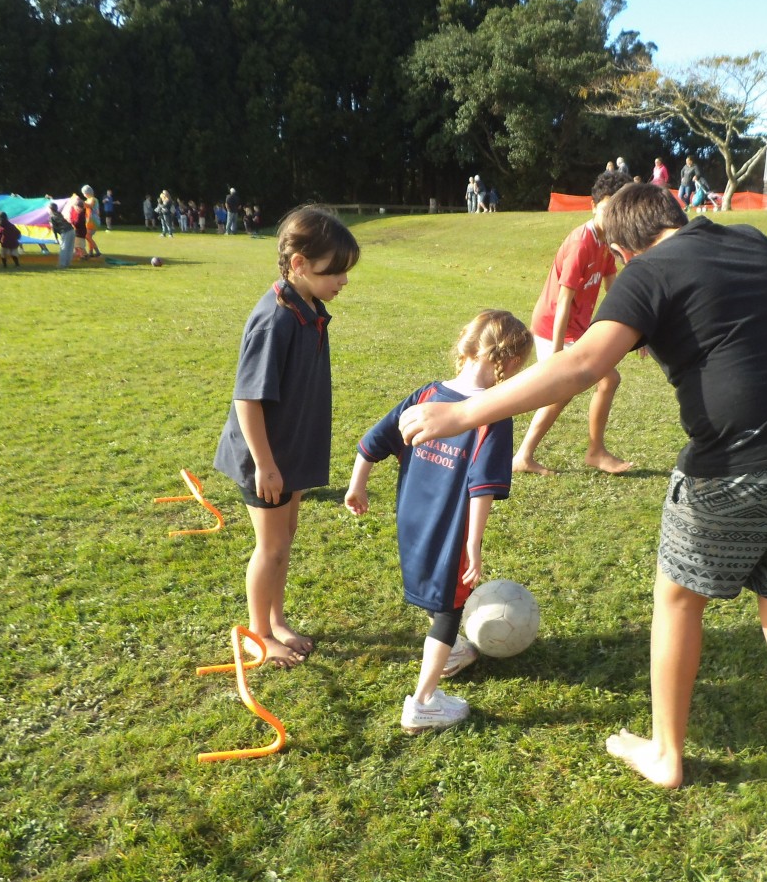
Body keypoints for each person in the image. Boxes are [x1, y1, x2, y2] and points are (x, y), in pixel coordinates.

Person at [398, 183, 767, 843]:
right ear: (677, 216)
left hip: (739, 458)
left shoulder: (646, 272)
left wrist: (464, 412)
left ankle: (666, 754)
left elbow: (582, 362)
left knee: (678, 599)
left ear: (620, 248)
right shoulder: (746, 240)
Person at [344, 310, 533, 729]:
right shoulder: (492, 413)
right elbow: (481, 486)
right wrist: (473, 544)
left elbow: (373, 441)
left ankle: (452, 653)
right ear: (513, 361)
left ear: (466, 344)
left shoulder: (427, 394)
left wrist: (358, 486)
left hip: (411, 520)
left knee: (436, 592)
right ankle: (424, 701)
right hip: (450, 528)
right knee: (450, 609)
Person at [213, 206, 360, 668]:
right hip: (265, 458)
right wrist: (266, 465)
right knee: (272, 546)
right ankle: (258, 635)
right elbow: (247, 400)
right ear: (299, 264)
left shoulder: (308, 307)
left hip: (287, 451)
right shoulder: (274, 320)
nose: (343, 280)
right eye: (334, 271)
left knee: (286, 537)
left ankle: (276, 621)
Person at [513, 168, 633, 477]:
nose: (611, 217)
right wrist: (556, 356)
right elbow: (563, 301)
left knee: (599, 382)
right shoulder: (582, 242)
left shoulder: (606, 243)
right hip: (553, 326)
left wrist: (635, 326)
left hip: (577, 330)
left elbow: (614, 288)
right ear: (593, 207)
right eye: (606, 209)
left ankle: (588, 452)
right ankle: (530, 453)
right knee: (571, 387)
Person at [47, 201, 74, 269]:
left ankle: (62, 264)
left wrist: (56, 238)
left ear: (50, 209)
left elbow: (54, 228)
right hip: (71, 230)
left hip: (65, 231)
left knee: (64, 248)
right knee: (69, 248)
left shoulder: (51, 217)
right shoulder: (59, 213)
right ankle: (67, 263)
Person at [80, 185, 103, 256]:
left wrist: (80, 201)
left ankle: (97, 251)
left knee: (87, 236)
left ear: (87, 193)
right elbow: (84, 207)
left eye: (84, 193)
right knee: (89, 237)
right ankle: (91, 252)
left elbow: (89, 205)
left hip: (93, 221)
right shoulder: (87, 200)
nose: (83, 195)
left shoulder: (93, 199)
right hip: (90, 221)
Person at [68, 192, 90, 258]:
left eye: (77, 208)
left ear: (80, 208)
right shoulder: (82, 214)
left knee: (78, 245)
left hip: (79, 233)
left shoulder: (80, 215)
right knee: (81, 245)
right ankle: (85, 254)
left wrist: (71, 221)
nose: (76, 209)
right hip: (81, 232)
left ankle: (82, 256)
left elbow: (77, 223)